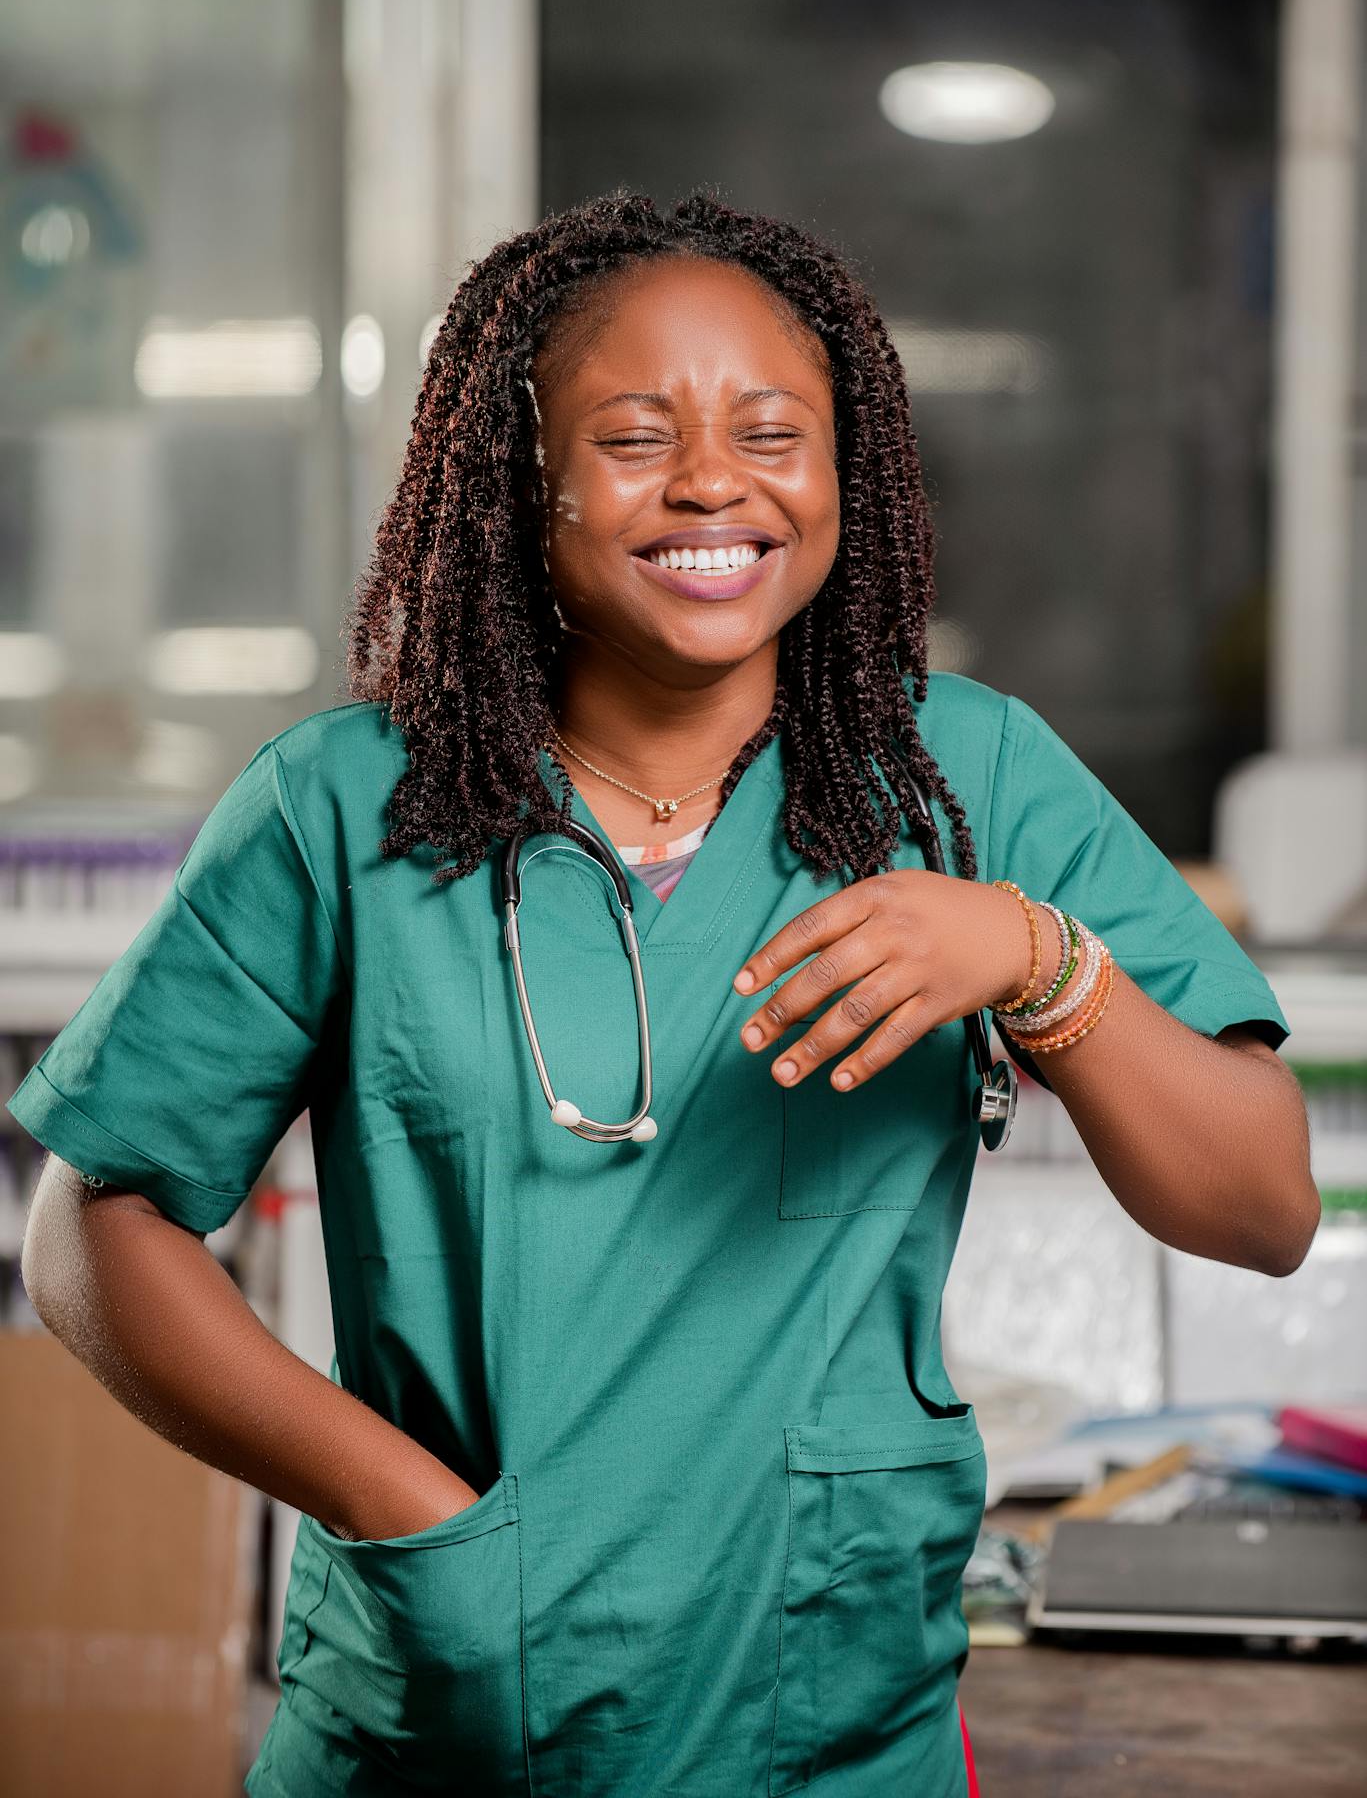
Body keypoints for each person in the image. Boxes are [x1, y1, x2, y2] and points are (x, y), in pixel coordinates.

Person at [13, 190, 1315, 1797]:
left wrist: (1036, 963)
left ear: (847, 469)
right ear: (523, 485)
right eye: (636, 436)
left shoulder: (966, 779)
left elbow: (1262, 1205)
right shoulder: (342, 812)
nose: (715, 481)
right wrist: (394, 1503)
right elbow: (91, 1223)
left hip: (826, 1719)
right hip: (440, 1722)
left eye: (774, 431)